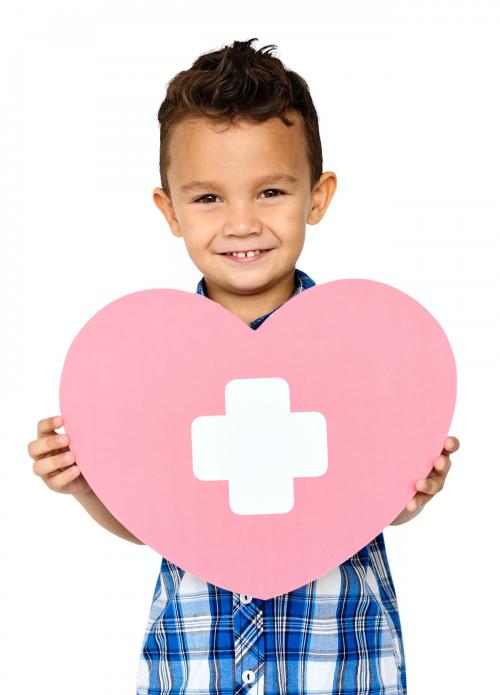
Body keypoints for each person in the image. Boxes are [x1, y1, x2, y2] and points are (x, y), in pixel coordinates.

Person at [27, 38, 460, 695]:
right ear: (168, 210)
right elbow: (154, 517)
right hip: (198, 667)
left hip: (339, 664)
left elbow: (365, 501)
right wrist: (87, 485)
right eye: (207, 199)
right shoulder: (148, 369)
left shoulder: (364, 356)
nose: (242, 222)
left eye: (270, 191)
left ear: (317, 196)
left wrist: (412, 489)